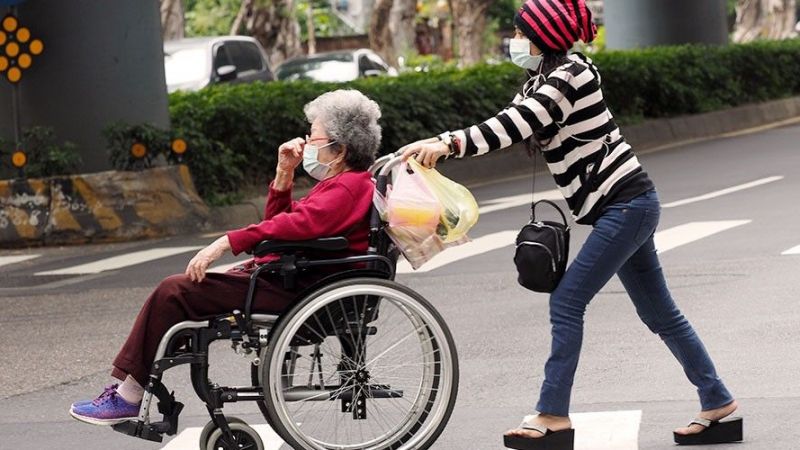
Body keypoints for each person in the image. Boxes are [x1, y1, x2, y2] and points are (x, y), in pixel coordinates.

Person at [401, 1, 739, 448]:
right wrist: (437, 145)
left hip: (627, 205)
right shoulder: (541, 80)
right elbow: (505, 124)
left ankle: (553, 413)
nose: (515, 39)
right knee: (659, 312)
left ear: (542, 35)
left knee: (567, 302)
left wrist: (448, 143)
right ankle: (717, 401)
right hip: (621, 207)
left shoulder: (572, 74)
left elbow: (516, 123)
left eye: (521, 32)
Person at [69, 89, 382, 425]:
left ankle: (128, 395)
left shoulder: (348, 187)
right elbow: (279, 225)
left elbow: (294, 225)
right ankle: (134, 387)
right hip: (292, 278)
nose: (306, 143)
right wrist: (283, 173)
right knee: (179, 294)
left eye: (313, 136)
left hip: (297, 288)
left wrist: (226, 242)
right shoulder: (341, 184)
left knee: (174, 292)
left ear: (340, 149)